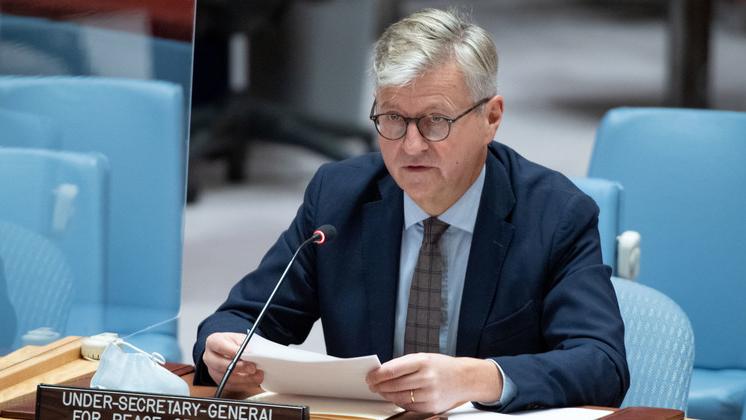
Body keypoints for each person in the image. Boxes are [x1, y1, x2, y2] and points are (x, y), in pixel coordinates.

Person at [193, 8, 629, 413]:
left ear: (491, 118)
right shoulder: (338, 198)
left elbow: (602, 364)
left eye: (436, 120)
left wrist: (480, 378)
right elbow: (241, 318)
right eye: (393, 119)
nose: (411, 145)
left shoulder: (555, 215)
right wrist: (221, 348)